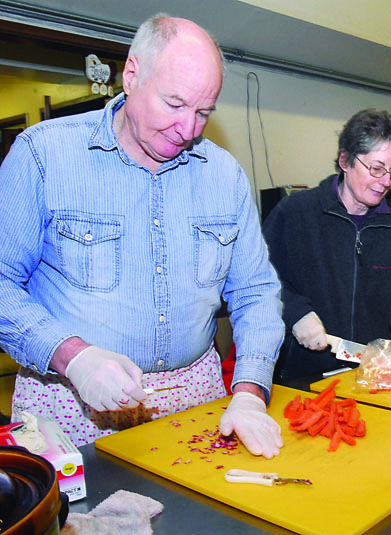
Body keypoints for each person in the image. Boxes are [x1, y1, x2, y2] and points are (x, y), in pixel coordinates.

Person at [0, 14, 285, 459]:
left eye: (204, 112)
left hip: (197, 401)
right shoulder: (42, 155)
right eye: (174, 103)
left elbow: (255, 292)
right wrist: (70, 355)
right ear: (131, 75)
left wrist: (249, 391)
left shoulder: (224, 175)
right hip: (69, 406)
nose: (188, 129)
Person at [262, 109, 391, 383]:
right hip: (303, 376)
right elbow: (260, 280)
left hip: (374, 376)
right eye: (376, 169)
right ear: (345, 160)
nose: (386, 182)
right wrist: (295, 313)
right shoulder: (295, 213)